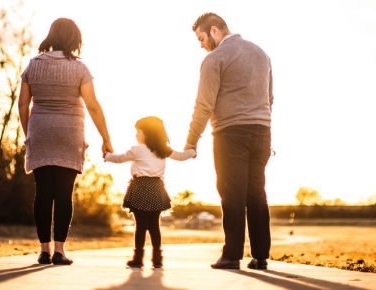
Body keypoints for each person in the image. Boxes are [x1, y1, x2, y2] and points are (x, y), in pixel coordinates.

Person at [18, 18, 113, 265]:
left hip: (40, 132)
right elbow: (92, 106)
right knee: (63, 194)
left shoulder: (33, 65)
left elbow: (22, 104)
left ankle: (43, 250)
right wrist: (106, 138)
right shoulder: (80, 69)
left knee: (43, 193)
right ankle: (60, 251)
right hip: (69, 135)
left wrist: (30, 134)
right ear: (74, 39)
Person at [185, 13, 274, 270]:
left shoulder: (215, 59)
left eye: (201, 38)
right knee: (256, 192)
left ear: (214, 30)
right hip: (262, 131)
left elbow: (204, 105)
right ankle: (260, 256)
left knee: (231, 193)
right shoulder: (261, 54)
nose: (201, 45)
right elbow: (270, 97)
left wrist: (191, 142)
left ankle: (232, 255)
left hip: (230, 133)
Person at [104, 116, 196, 268]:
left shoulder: (138, 149)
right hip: (156, 188)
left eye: (138, 131)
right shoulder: (162, 150)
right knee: (154, 225)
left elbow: (119, 159)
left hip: (140, 188)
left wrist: (106, 155)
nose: (136, 135)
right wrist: (192, 152)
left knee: (140, 226)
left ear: (146, 133)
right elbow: (181, 156)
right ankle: (157, 259)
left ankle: (138, 258)